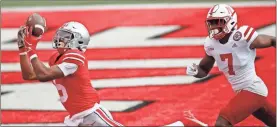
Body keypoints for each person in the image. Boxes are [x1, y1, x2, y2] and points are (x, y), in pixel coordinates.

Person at [17, 21, 184, 127]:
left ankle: (179, 125)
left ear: (77, 41)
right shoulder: (56, 58)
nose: (60, 38)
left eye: (65, 36)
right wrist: (23, 50)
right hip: (76, 118)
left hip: (91, 115)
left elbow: (44, 74)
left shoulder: (76, 56)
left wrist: (31, 48)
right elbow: (31, 75)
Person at [186, 4, 276, 126]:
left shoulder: (241, 36)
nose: (214, 26)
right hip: (242, 91)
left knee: (222, 123)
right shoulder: (210, 43)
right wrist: (196, 71)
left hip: (253, 89)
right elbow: (203, 69)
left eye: (218, 22)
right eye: (211, 23)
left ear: (231, 21)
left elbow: (272, 40)